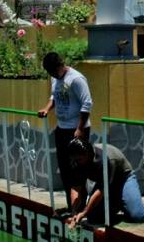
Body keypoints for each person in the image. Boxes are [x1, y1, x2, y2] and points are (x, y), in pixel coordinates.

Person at [66, 138, 144, 227]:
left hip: (123, 179)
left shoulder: (104, 160)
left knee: (136, 215)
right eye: (74, 159)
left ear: (88, 154)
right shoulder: (77, 161)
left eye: (79, 159)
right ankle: (119, 204)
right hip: (106, 184)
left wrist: (84, 212)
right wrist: (74, 212)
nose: (76, 162)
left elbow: (101, 190)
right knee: (94, 217)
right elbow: (76, 188)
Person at [38, 52, 92, 209]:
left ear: (59, 66)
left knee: (78, 170)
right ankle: (72, 207)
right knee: (65, 169)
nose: (51, 75)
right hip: (62, 129)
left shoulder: (76, 79)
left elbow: (87, 103)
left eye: (52, 71)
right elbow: (54, 97)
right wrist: (47, 109)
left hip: (77, 130)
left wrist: (80, 129)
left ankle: (81, 209)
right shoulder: (56, 78)